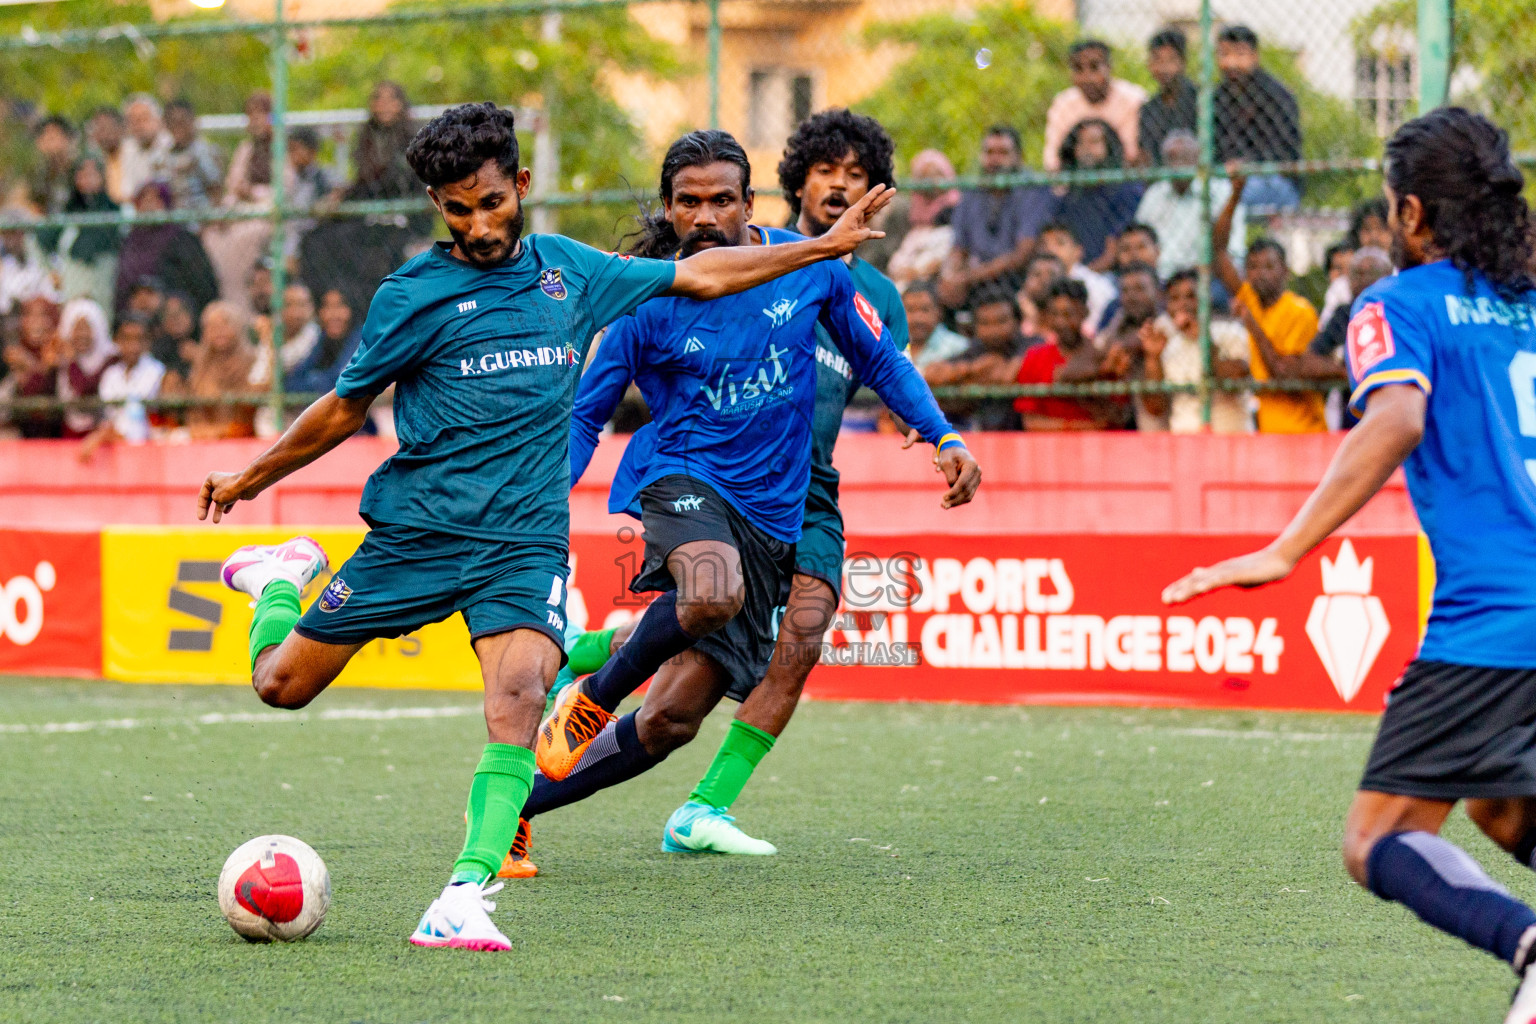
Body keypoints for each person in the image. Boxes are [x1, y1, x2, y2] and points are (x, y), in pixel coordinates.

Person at [196, 102, 904, 953]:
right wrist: (249, 477)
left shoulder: (574, 273)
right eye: (458, 210)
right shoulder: (412, 295)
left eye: (492, 203)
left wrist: (825, 248)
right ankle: (277, 578)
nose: (479, 225)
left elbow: (706, 275)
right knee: (281, 683)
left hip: (521, 545)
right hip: (418, 534)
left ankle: (464, 894)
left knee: (522, 696)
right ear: (437, 205)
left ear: (520, 186)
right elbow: (342, 409)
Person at [1161, 108, 1536, 1023]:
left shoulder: (1397, 304)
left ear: (1409, 213)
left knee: (1378, 840)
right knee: (1497, 807)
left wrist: (1287, 549)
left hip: (1496, 620)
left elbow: (1398, 418)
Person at [523, 126, 975, 858]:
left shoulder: (816, 273)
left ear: (750, 203)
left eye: (721, 201)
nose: (705, 218)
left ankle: (521, 802)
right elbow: (586, 412)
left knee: (673, 716)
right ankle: (592, 695)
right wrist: (545, 503)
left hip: (781, 506)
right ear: (668, 209)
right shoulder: (643, 300)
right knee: (708, 589)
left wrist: (944, 437)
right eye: (688, 203)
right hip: (683, 479)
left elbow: (884, 362)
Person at [1211, 172, 1329, 432]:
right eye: (1252, 267)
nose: (1259, 273)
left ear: (1285, 271)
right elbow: (1218, 250)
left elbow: (1283, 373)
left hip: (1303, 430)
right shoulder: (1250, 299)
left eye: (1269, 266)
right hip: (1266, 431)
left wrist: (1250, 323)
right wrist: (1235, 195)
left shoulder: (1299, 311)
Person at [938, 126, 1056, 307]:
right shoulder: (972, 192)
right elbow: (959, 248)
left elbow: (1022, 254)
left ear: (1019, 157)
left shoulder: (1032, 189)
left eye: (1003, 153)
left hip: (1017, 277)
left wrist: (967, 278)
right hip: (976, 277)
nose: (995, 160)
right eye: (989, 152)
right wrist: (950, 276)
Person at [1136, 268, 1252, 433]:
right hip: (1186, 445)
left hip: (1231, 442)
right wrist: (1153, 358)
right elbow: (1155, 408)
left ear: (1208, 298)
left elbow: (1235, 383)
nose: (1183, 304)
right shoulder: (1166, 341)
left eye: (1191, 296)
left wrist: (1203, 338)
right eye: (1175, 298)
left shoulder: (1230, 332)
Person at [1015, 277, 1127, 430]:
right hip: (1049, 448)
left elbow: (1116, 417)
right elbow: (1030, 422)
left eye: (1069, 314)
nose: (1061, 322)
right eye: (1055, 314)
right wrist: (1081, 428)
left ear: (1085, 312)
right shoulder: (1035, 357)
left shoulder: (1103, 354)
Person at [1134, 131, 1245, 283]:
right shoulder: (1156, 193)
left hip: (1208, 276)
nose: (1178, 164)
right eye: (1172, 158)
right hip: (1161, 278)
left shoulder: (1220, 191)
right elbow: (1139, 238)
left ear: (1198, 159)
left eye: (1185, 157)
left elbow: (1233, 250)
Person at [204, 92, 277, 318]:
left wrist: (253, 193)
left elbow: (285, 188)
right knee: (213, 234)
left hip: (268, 212)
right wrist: (225, 213)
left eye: (261, 114)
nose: (256, 120)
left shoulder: (282, 145)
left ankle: (245, 311)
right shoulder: (246, 148)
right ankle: (228, 304)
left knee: (245, 237)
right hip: (241, 211)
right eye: (251, 115)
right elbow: (233, 186)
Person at [1213, 25, 1301, 209]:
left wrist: (1245, 165)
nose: (1231, 63)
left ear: (1255, 56)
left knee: (1230, 196)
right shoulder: (1217, 98)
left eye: (1239, 54)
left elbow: (1285, 150)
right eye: (1224, 54)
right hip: (1225, 177)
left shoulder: (1277, 96)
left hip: (1271, 178)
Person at [924, 285, 1030, 431]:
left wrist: (963, 379)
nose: (993, 330)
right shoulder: (976, 350)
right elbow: (931, 374)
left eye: (1001, 321)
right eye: (985, 323)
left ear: (1017, 322)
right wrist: (975, 369)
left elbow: (1005, 376)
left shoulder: (1030, 345)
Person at [114, 182, 219, 317]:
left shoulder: (181, 239)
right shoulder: (130, 241)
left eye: (156, 200)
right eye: (143, 200)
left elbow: (200, 283)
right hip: (135, 317)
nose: (149, 206)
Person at [1043, 39, 1148, 172]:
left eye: (1094, 67)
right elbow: (1053, 160)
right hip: (1076, 182)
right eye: (1078, 69)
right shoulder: (1063, 104)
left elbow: (1133, 156)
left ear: (1109, 68)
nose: (1087, 77)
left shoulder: (1134, 100)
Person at [1054, 119, 1144, 269]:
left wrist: (1086, 276)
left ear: (1108, 147)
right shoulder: (1072, 195)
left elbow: (1115, 250)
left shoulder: (1126, 190)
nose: (1086, 149)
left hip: (1111, 275)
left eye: (1094, 142)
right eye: (1080, 143)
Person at [79, 312, 164, 460]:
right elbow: (108, 417)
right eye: (127, 339)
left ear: (147, 342)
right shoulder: (111, 375)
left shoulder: (158, 372)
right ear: (117, 341)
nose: (133, 346)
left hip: (149, 453)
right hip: (115, 453)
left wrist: (103, 436)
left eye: (139, 339)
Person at [885, 148, 960, 290]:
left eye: (936, 174)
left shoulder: (957, 212)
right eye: (924, 176)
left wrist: (914, 272)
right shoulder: (913, 222)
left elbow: (939, 260)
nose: (931, 182)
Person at [182, 300, 257, 440]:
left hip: (245, 441)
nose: (219, 331)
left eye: (225, 324)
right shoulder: (201, 367)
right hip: (207, 441)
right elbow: (194, 415)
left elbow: (252, 409)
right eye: (212, 326)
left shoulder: (253, 361)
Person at [58, 155, 121, 311]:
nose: (87, 179)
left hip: (103, 274)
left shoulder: (115, 210)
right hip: (74, 276)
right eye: (82, 174)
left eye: (92, 174)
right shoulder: (68, 211)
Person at [1036, 222, 1115, 334]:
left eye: (1060, 243)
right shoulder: (1036, 284)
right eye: (1044, 245)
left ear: (1078, 251)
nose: (1051, 250)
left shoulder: (1095, 286)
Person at [55, 297, 116, 439]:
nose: (82, 335)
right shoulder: (61, 359)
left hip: (102, 436)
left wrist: (72, 362)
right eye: (77, 328)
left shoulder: (111, 359)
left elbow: (85, 390)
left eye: (87, 328)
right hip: (68, 435)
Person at [1138, 28, 1198, 167]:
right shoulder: (1149, 109)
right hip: (1162, 180)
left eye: (1170, 60)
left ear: (1183, 62)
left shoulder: (1201, 100)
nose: (1163, 68)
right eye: (1157, 59)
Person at [286, 288, 362, 397]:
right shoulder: (323, 338)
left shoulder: (361, 338)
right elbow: (292, 382)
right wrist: (317, 381)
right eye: (327, 307)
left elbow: (340, 384)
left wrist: (314, 379)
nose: (333, 315)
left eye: (340, 306)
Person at [154, 99, 223, 214]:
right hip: (172, 218)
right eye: (172, 122)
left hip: (199, 216)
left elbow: (215, 190)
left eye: (182, 122)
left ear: (192, 122)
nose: (177, 127)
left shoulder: (202, 152)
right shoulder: (163, 155)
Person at [903, 280, 969, 371]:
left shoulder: (958, 347)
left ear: (938, 312)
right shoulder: (890, 345)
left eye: (925, 310)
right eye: (910, 310)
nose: (917, 318)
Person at [118, 95, 171, 203]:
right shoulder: (127, 149)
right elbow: (127, 192)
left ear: (157, 120)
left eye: (144, 118)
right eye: (133, 121)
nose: (139, 125)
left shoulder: (170, 145)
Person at [1016, 250, 1066, 336]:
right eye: (1037, 274)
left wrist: (1034, 318)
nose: (1044, 281)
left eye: (1052, 275)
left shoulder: (1072, 320)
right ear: (1025, 282)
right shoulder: (1013, 320)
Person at [84, 106, 127, 205]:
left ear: (120, 129)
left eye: (108, 128)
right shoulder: (93, 159)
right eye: (99, 129)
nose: (104, 134)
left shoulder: (133, 152)